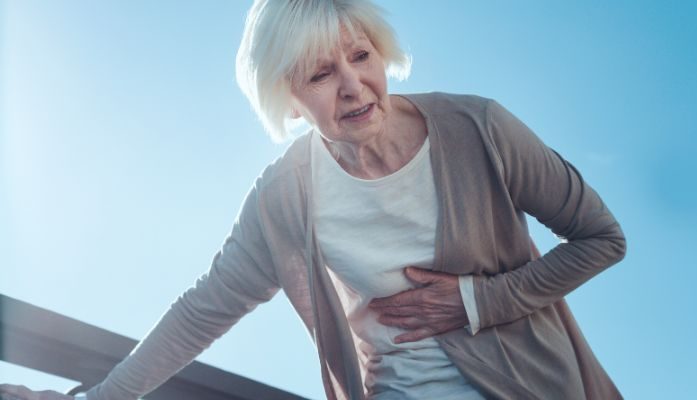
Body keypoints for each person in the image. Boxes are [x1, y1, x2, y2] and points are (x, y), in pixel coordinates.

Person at [0, 0, 626, 399]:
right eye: (321, 75)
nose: (354, 87)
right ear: (288, 98)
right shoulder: (285, 197)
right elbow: (202, 311)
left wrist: (477, 300)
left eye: (362, 57)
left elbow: (603, 238)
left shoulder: (480, 129)